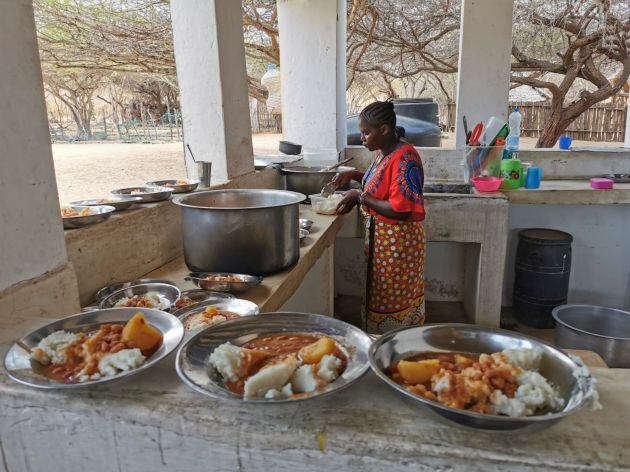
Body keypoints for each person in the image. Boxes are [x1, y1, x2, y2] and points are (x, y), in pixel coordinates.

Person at [333, 101, 426, 333]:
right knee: (380, 296)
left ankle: (392, 349)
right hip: (383, 244)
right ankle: (380, 344)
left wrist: (359, 197)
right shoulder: (384, 153)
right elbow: (382, 183)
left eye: (366, 133)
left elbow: (401, 209)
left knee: (393, 302)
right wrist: (354, 175)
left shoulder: (406, 158)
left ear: (384, 130)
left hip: (398, 246)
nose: (362, 138)